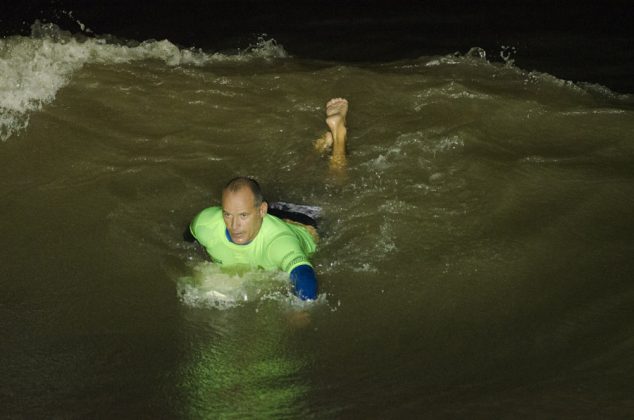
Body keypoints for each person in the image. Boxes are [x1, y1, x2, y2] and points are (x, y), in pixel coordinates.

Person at [186, 98, 349, 301]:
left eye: (242, 216)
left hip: (303, 220)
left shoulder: (279, 242)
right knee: (288, 179)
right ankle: (319, 146)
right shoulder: (205, 222)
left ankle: (338, 137)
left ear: (261, 210)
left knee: (334, 190)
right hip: (267, 213)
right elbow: (189, 238)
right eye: (227, 215)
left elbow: (304, 275)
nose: (234, 226)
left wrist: (302, 310)